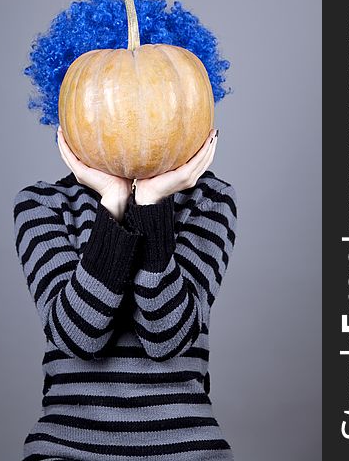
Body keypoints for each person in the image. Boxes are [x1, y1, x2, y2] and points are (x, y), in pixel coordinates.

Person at [13, 123, 237, 461]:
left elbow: (167, 337)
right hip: (68, 452)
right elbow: (78, 337)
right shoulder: (42, 204)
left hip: (186, 453)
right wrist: (113, 204)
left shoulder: (210, 200)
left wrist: (151, 202)